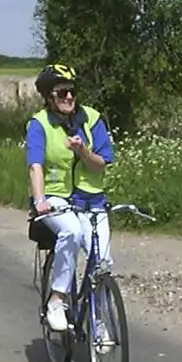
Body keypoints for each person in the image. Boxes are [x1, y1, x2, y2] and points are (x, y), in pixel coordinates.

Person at [25, 63, 115, 332]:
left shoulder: (92, 118)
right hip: (56, 198)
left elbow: (101, 164)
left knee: (102, 264)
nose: (68, 97)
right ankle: (57, 299)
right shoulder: (39, 124)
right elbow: (35, 165)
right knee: (72, 233)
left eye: (71, 91)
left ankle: (100, 323)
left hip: (92, 200)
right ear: (48, 97)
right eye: (61, 92)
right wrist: (39, 199)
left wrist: (83, 151)